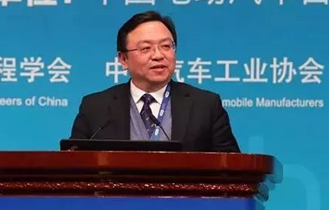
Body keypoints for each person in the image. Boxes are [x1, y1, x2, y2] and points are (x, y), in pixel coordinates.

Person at [70, 10, 240, 153]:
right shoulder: (95, 108)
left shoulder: (206, 106)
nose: (158, 55)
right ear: (123, 59)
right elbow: (73, 164)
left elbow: (231, 167)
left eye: (166, 46)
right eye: (146, 48)